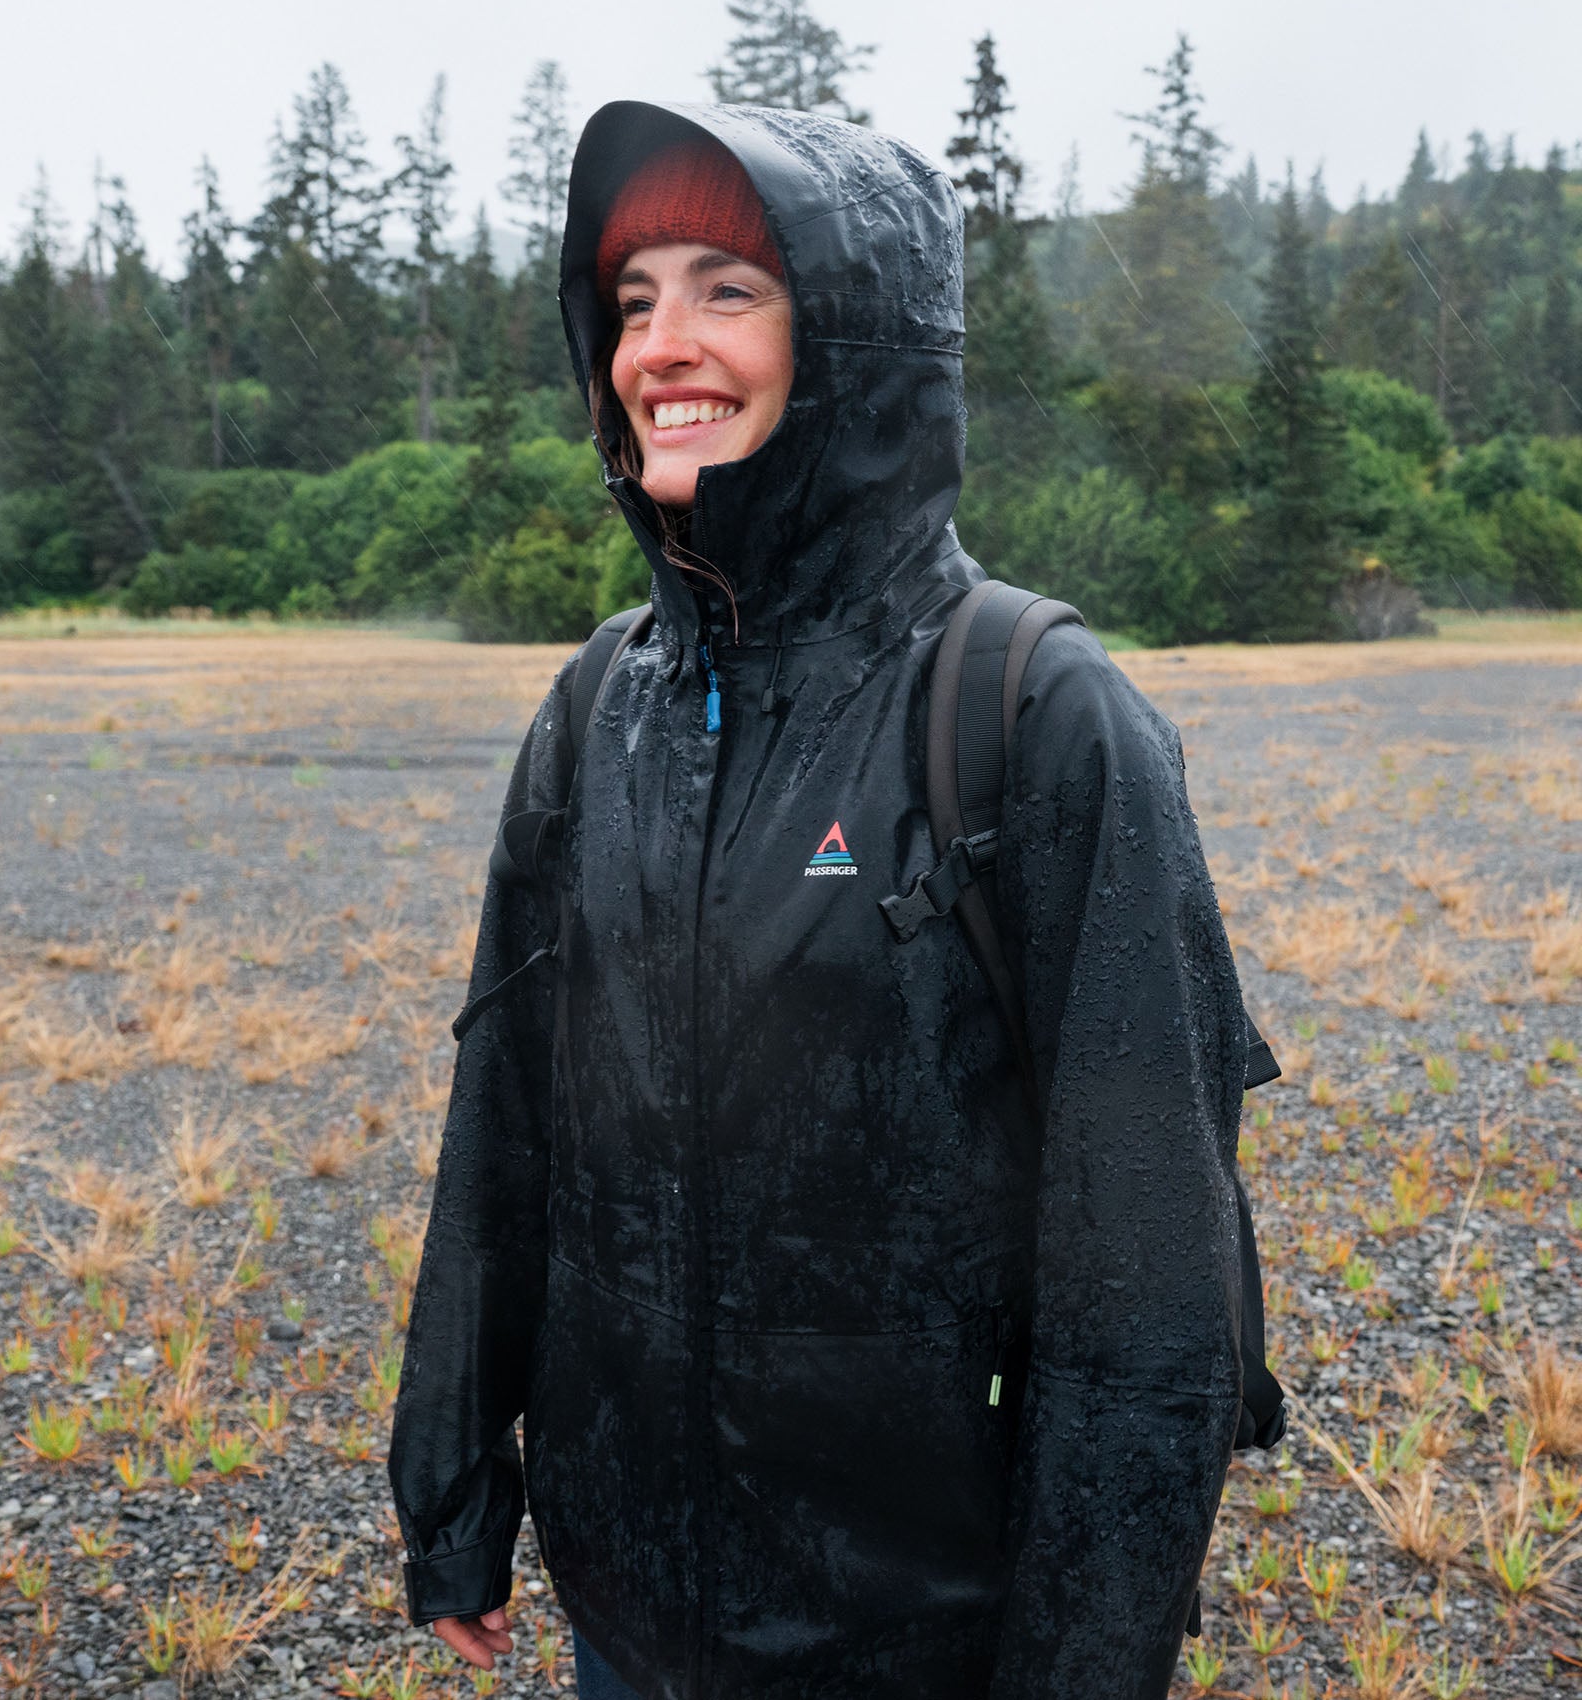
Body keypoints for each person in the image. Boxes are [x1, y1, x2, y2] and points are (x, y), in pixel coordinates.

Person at [388, 104, 1267, 1699]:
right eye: (633, 299)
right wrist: (453, 1484)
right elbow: (505, 1120)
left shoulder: (1033, 712)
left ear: (861, 341)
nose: (661, 344)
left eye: (727, 288)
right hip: (626, 1609)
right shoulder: (599, 706)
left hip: (915, 1630)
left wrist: (1083, 1659)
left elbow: (1149, 1281)